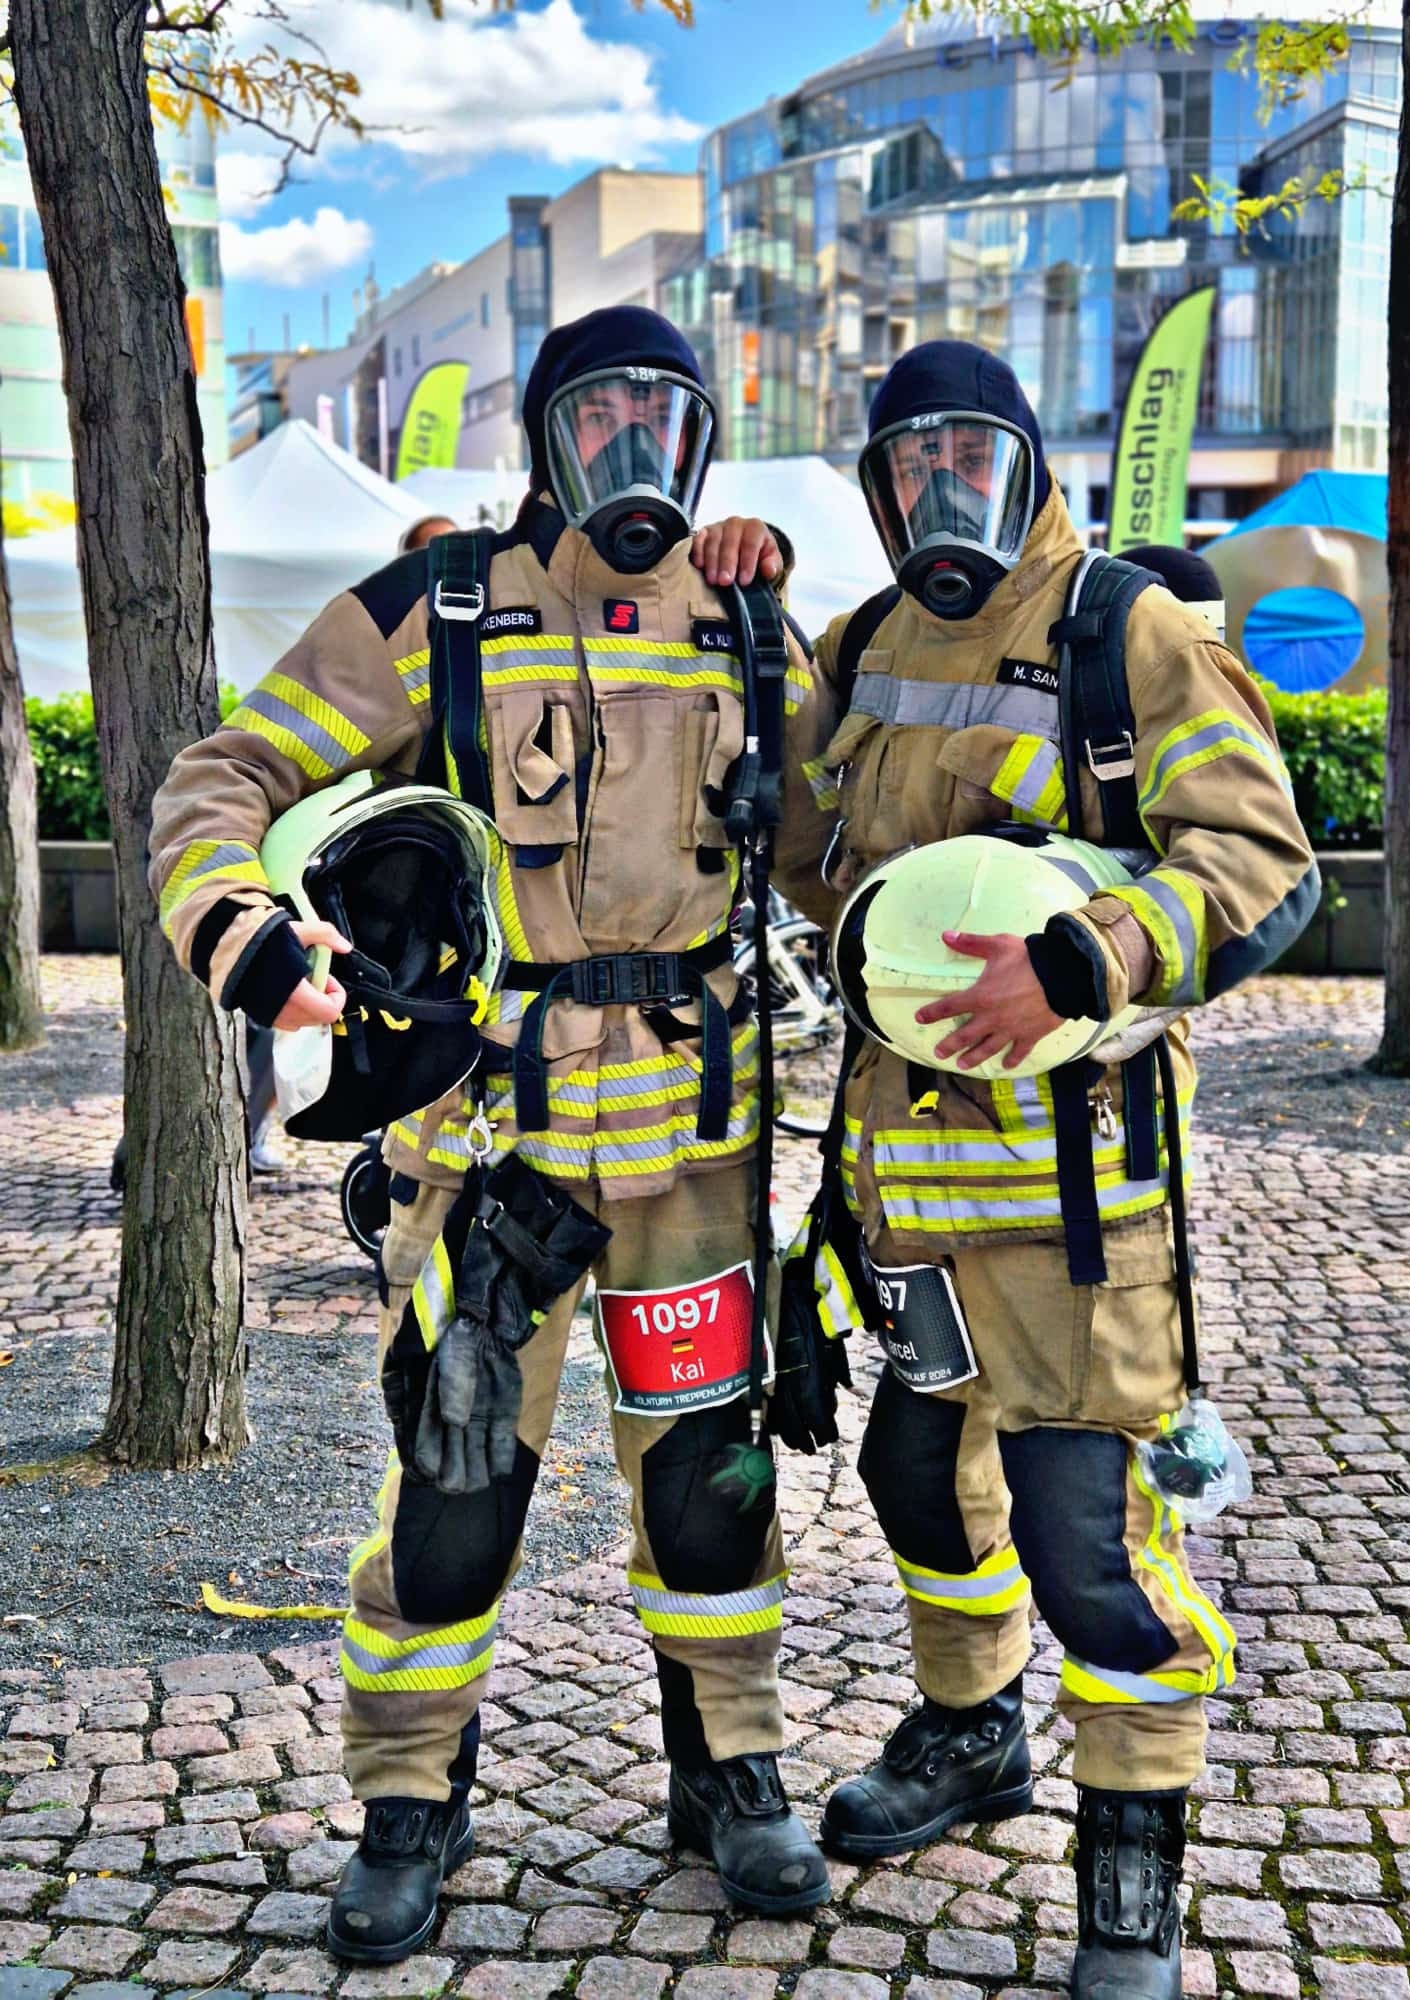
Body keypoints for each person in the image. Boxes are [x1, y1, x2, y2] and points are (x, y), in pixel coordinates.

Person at [147, 305, 830, 1964]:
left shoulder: (750, 622)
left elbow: (859, 819)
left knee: (708, 1483)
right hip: (486, 1154)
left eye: (667, 420)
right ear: (543, 439)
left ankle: (728, 1770)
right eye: (600, 419)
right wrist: (243, 934)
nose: (634, 452)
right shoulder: (436, 610)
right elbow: (219, 780)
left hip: (694, 1157)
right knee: (455, 1485)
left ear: (704, 439)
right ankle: (410, 1798)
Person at [698, 340, 1318, 2000]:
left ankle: (1134, 1868)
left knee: (1087, 1544)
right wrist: (753, 626)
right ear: (878, 487)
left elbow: (1263, 861)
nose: (940, 490)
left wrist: (1088, 957)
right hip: (901, 1189)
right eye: (909, 466)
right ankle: (973, 1732)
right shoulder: (867, 642)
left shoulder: (1129, 629)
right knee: (916, 1477)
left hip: (1074, 1207)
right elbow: (804, 839)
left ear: (1030, 464)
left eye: (970, 456)